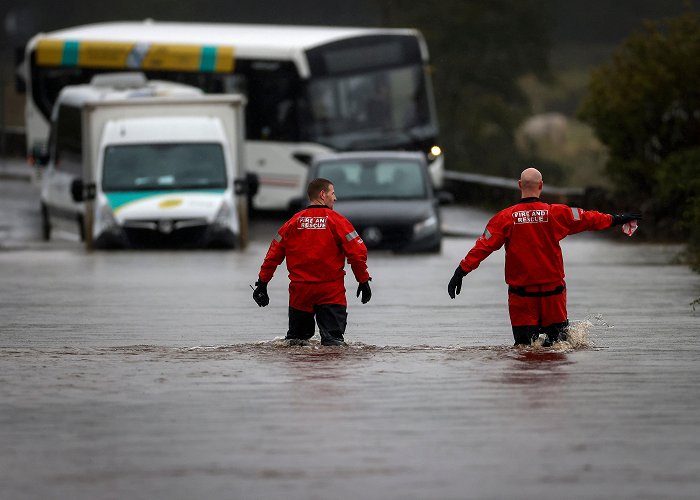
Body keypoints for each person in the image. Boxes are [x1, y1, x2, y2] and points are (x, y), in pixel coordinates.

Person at [447, 167, 641, 347]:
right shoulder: (556, 213)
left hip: (522, 298)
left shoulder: (505, 218)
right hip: (553, 296)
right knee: (559, 350)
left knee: (524, 351)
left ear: (519, 185)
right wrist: (616, 219)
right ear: (541, 186)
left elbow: (483, 246)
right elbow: (587, 218)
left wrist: (461, 271)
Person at [253, 178, 372, 346]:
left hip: (300, 293)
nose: (335, 198)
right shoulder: (337, 221)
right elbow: (357, 253)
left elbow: (273, 255)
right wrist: (363, 280)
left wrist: (262, 283)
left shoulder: (292, 222)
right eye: (333, 193)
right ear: (323, 195)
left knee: (296, 343)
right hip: (330, 292)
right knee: (334, 344)